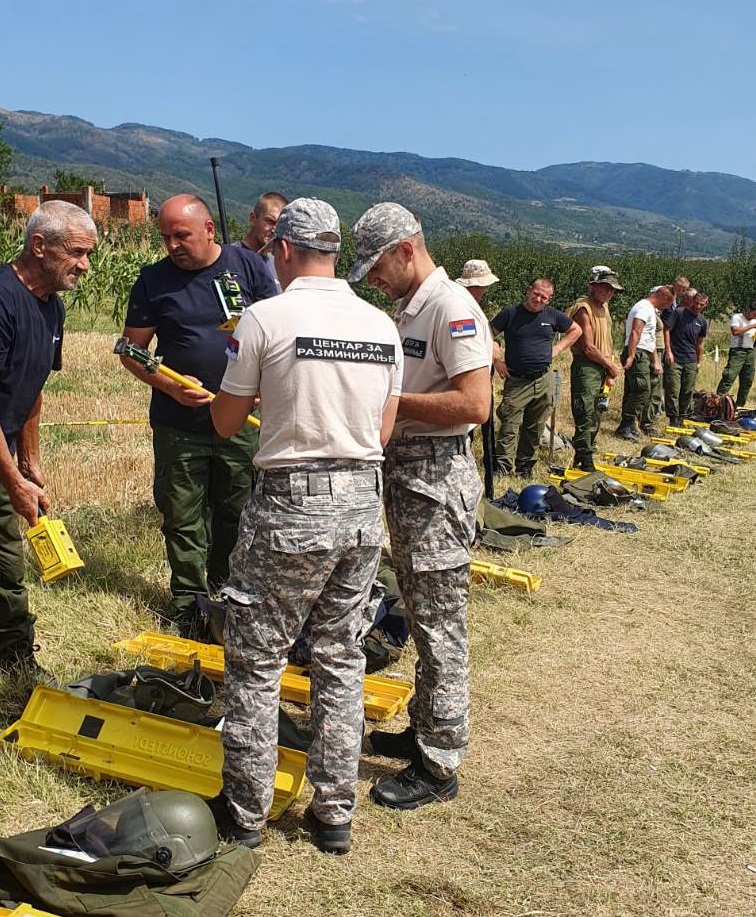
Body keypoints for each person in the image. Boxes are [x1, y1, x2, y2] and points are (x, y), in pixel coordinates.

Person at [208, 199, 402, 854]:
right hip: (360, 504)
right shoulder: (381, 324)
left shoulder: (265, 316)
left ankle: (244, 811)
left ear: (284, 251)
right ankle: (334, 812)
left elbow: (226, 423)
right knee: (341, 655)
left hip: (291, 503)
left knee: (257, 658)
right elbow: (381, 430)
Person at [348, 202, 492, 810]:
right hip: (410, 481)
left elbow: (473, 405)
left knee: (439, 623)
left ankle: (440, 763)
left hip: (436, 480)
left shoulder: (452, 308)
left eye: (377, 266)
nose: (373, 279)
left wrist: (390, 400)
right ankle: (427, 727)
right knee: (420, 606)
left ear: (406, 248)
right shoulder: (415, 307)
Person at [120, 194, 277, 635]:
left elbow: (277, 332)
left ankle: (227, 594)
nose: (172, 244)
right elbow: (132, 351)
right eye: (165, 237)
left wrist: (265, 386)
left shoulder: (247, 267)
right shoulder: (153, 280)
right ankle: (189, 603)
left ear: (209, 229)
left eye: (181, 235)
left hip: (241, 423)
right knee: (183, 515)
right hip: (179, 425)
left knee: (238, 510)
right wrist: (170, 385)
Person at [0, 201, 97, 671]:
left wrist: (29, 461)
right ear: (39, 247)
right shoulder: (1, 300)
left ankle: (13, 655)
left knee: (6, 561)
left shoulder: (52, 309)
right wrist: (14, 484)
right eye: (76, 253)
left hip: (7, 446)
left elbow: (33, 384)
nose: (84, 265)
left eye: (89, 255)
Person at [490, 279, 581, 476]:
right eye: (536, 294)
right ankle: (502, 468)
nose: (538, 299)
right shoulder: (510, 314)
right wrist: (496, 355)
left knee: (535, 426)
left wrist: (558, 348)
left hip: (543, 380)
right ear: (528, 290)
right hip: (516, 380)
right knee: (509, 426)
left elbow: (576, 330)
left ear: (549, 299)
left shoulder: (552, 316)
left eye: (544, 297)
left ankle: (525, 468)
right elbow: (487, 333)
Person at [566, 266, 623, 471]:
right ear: (593, 286)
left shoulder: (604, 308)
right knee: (586, 411)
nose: (609, 293)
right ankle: (584, 456)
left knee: (598, 410)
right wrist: (610, 366)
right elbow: (589, 347)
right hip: (588, 366)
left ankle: (587, 450)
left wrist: (610, 369)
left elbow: (606, 340)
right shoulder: (584, 308)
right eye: (605, 288)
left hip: (603, 365)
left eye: (612, 290)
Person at [615, 285, 675, 440]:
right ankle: (626, 425)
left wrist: (655, 361)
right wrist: (631, 355)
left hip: (645, 351)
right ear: (663, 298)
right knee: (642, 389)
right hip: (638, 352)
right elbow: (636, 331)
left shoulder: (650, 310)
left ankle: (630, 424)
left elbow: (650, 338)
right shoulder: (643, 307)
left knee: (636, 390)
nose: (667, 307)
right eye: (668, 303)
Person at [663, 289, 709, 426]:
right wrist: (668, 351)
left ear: (706, 305)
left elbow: (700, 343)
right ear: (692, 301)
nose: (698, 306)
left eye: (702, 304)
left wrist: (699, 362)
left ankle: (682, 417)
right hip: (675, 358)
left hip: (691, 360)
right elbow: (666, 330)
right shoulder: (679, 313)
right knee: (673, 390)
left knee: (687, 390)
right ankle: (673, 418)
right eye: (696, 303)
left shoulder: (702, 321)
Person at [236, 191, 289, 293]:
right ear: (253, 219)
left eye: (279, 225)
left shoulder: (278, 263)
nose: (274, 229)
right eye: (270, 222)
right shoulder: (232, 258)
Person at [716, 302, 756, 407]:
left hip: (751, 351)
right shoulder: (737, 317)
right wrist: (752, 326)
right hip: (738, 351)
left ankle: (739, 406)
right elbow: (735, 332)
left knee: (747, 380)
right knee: (729, 377)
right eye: (755, 314)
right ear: (749, 310)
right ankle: (717, 403)